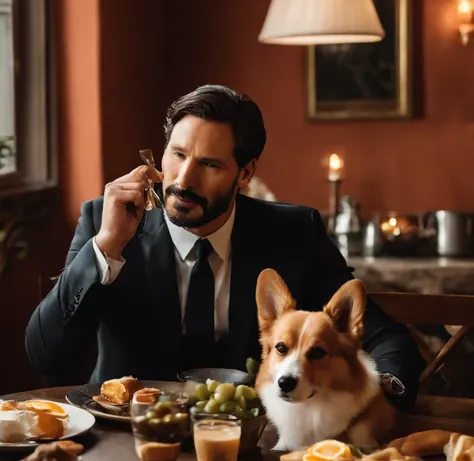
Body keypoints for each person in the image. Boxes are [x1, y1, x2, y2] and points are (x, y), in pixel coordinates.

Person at [26, 84, 424, 406]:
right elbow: (46, 353)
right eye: (177, 154)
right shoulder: (105, 221)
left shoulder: (294, 232)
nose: (183, 179)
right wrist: (106, 248)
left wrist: (384, 389)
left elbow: (381, 335)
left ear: (245, 172)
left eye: (210, 165)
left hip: (253, 447)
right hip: (127, 440)